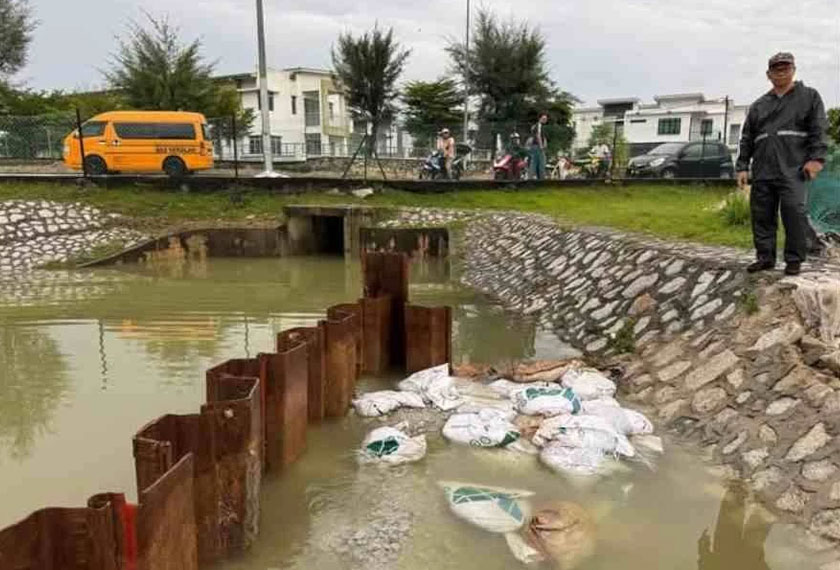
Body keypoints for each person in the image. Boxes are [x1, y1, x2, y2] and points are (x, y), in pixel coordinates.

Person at [736, 52, 828, 276]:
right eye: (776, 69)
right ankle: (765, 257)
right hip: (763, 168)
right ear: (768, 74)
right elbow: (747, 138)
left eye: (786, 68)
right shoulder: (758, 106)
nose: (781, 72)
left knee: (794, 212)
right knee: (762, 214)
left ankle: (794, 259)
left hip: (793, 167)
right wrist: (742, 166)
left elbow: (818, 129)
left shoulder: (809, 96)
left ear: (793, 70)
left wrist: (816, 159)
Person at [529, 113, 549, 180]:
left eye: (546, 119)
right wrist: (541, 145)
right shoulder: (538, 125)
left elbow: (543, 136)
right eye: (543, 119)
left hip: (535, 146)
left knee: (535, 162)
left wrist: (545, 143)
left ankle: (532, 177)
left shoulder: (539, 126)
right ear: (539, 118)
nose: (545, 120)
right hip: (537, 146)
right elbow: (538, 135)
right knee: (541, 162)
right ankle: (541, 178)